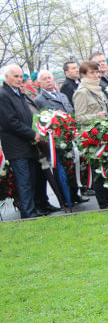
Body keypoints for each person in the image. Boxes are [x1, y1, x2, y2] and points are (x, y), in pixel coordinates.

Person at [73, 60, 108, 209]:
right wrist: (96, 116)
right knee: (99, 171)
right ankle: (104, 203)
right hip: (92, 137)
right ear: (83, 75)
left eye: (97, 72)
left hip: (104, 134)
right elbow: (79, 118)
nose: (96, 75)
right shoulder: (82, 92)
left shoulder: (98, 89)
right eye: (92, 73)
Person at [0, 64, 43, 218]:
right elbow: (10, 122)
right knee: (24, 182)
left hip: (26, 144)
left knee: (31, 180)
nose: (20, 79)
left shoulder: (17, 93)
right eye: (16, 76)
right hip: (16, 146)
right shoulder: (3, 94)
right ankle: (28, 214)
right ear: (7, 77)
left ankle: (31, 210)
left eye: (21, 76)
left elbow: (26, 116)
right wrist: (32, 134)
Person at [35, 69, 79, 210]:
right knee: (60, 171)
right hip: (55, 140)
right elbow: (42, 120)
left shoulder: (62, 95)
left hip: (69, 136)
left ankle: (75, 195)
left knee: (73, 166)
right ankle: (66, 200)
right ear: (40, 83)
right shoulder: (39, 100)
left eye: (50, 78)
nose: (48, 80)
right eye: (45, 79)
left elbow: (70, 112)